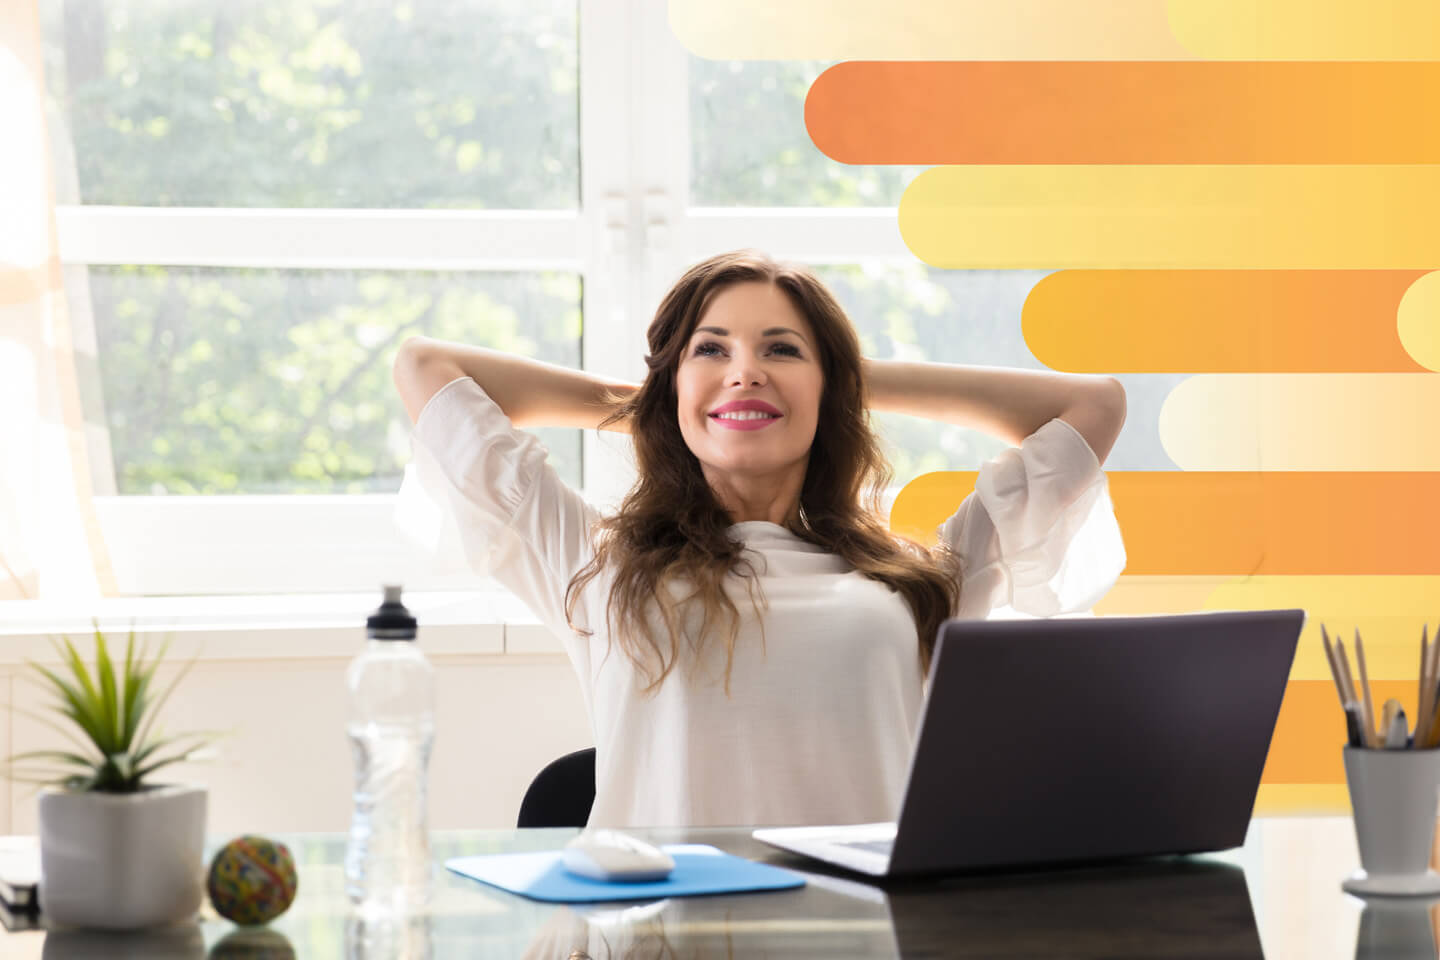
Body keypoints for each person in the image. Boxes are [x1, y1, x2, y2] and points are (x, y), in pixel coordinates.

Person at [392, 250, 1127, 829]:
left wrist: (839, 381)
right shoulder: (594, 564)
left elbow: (1091, 404)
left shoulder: (925, 582)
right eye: (710, 350)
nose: (745, 371)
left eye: (781, 350)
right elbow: (426, 369)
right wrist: (662, 401)